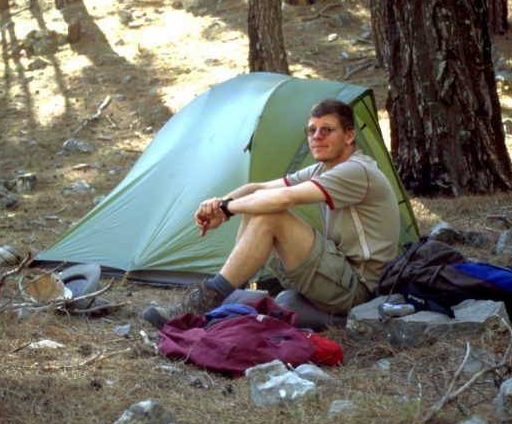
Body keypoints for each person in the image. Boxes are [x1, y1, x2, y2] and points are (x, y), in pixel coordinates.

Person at [143, 99, 400, 330]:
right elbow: (257, 189)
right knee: (256, 203)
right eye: (311, 130)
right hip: (338, 275)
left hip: (358, 289)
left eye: (327, 130)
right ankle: (228, 296)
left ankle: (204, 303)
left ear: (349, 136)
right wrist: (220, 203)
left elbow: (284, 198)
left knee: (271, 213)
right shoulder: (323, 169)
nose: (317, 136)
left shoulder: (357, 170)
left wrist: (226, 209)